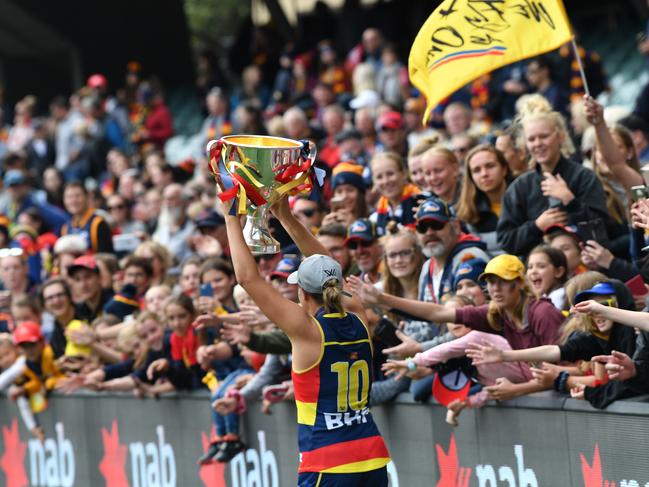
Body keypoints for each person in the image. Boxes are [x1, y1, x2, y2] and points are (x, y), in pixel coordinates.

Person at [218, 176, 390, 484]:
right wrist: (286, 216)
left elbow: (248, 279)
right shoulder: (358, 314)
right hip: (372, 458)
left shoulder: (307, 330)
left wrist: (232, 216)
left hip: (327, 462)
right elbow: (328, 265)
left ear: (302, 294)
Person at [349, 254, 565, 401]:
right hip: (536, 384)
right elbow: (437, 313)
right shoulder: (496, 312)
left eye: (502, 281)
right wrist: (380, 298)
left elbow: (563, 372)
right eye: (490, 282)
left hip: (563, 387)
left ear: (519, 283)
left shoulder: (542, 313)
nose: (495, 289)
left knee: (477, 340)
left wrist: (517, 390)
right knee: (474, 356)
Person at [496, 95, 610, 256]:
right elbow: (506, 242)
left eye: (544, 136)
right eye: (531, 139)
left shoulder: (584, 177)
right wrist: (536, 226)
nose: (538, 144)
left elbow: (604, 231)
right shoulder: (519, 188)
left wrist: (571, 202)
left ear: (560, 136)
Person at [414, 196, 489, 305]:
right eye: (422, 227)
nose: (429, 233)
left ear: (456, 226)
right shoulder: (427, 266)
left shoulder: (470, 256)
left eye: (437, 225)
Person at [456, 145, 511, 255]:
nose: (484, 174)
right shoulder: (467, 212)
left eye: (490, 166)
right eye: (476, 170)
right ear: (471, 177)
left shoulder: (524, 198)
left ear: (504, 169)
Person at [368, 152, 420, 233]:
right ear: (374, 181)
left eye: (390, 174)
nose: (386, 181)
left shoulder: (421, 203)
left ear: (404, 174)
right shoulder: (374, 220)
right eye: (379, 177)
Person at [60, 181, 114, 254]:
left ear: (87, 197)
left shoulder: (98, 223)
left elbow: (107, 257)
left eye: (77, 196)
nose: (73, 201)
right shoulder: (65, 228)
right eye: (69, 197)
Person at [526, 245, 568, 310]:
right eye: (530, 267)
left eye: (541, 266)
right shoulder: (545, 297)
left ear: (559, 272)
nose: (533, 271)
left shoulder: (559, 297)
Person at [345, 219, 383, 284]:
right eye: (353, 245)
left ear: (380, 244)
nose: (360, 251)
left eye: (365, 243)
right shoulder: (353, 286)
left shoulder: (397, 274)